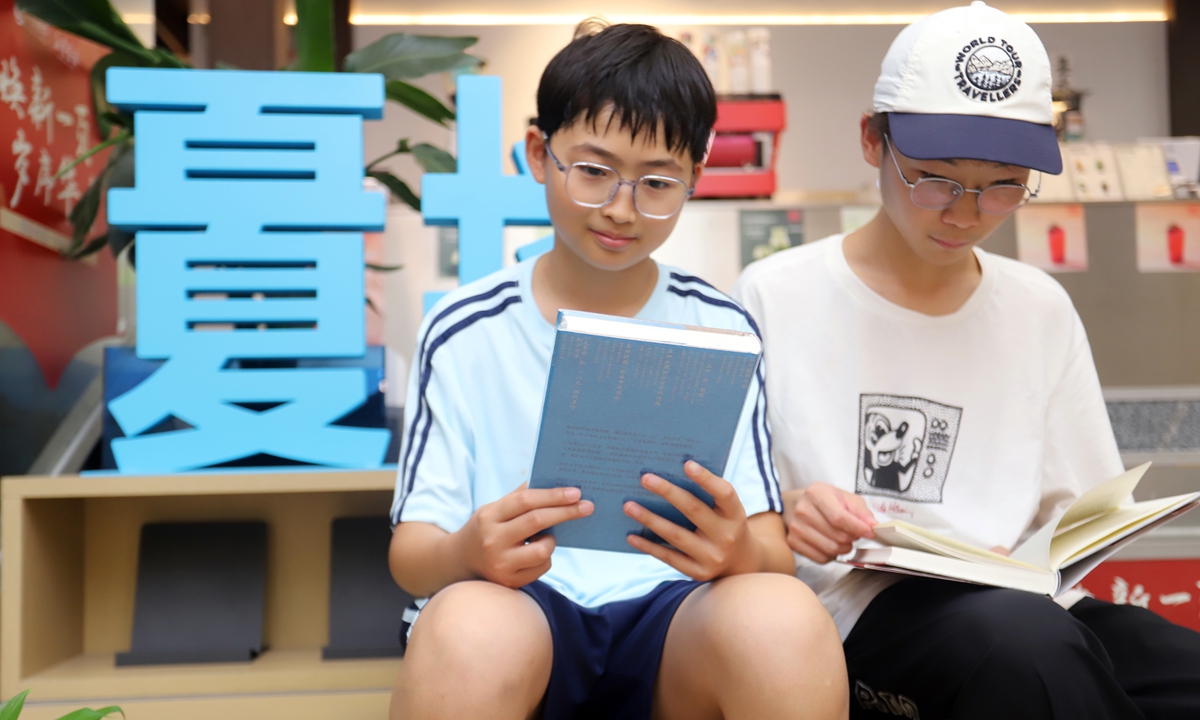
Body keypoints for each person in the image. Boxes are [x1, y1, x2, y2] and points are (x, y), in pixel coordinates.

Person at [732, 2, 1200, 719]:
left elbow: (1080, 512)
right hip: (860, 615)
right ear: (870, 139)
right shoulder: (776, 295)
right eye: (935, 178)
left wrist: (1038, 557)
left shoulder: (1036, 307)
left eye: (1003, 184)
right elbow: (729, 505)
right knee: (1025, 648)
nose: (964, 212)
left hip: (1025, 606)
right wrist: (788, 511)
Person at [387, 22, 847, 720]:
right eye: (594, 171)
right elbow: (411, 553)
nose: (622, 210)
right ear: (540, 154)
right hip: (518, 610)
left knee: (782, 615)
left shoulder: (720, 326)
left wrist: (736, 550)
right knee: (467, 628)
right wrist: (467, 551)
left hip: (674, 618)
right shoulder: (465, 328)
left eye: (657, 181)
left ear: (695, 174)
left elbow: (772, 551)